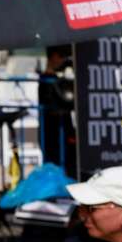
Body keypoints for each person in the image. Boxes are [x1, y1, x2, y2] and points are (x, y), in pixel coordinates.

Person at [38, 45, 76, 177]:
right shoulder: (47, 79)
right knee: (55, 165)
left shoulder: (57, 78)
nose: (64, 60)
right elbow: (62, 101)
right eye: (61, 56)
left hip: (63, 131)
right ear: (53, 57)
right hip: (53, 132)